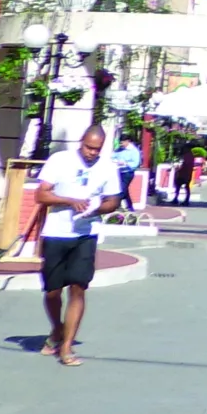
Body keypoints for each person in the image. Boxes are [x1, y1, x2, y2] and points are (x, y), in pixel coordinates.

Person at [34, 122, 122, 366]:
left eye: (97, 149)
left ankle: (66, 347)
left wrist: (96, 210)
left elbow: (113, 201)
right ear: (81, 142)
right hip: (56, 232)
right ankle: (57, 329)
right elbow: (41, 195)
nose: (91, 153)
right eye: (88, 147)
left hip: (85, 234)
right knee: (52, 291)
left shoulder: (108, 167)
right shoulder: (60, 160)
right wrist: (70, 201)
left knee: (78, 287)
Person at [112, 130, 143, 214]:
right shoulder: (119, 149)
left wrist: (125, 163)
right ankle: (130, 207)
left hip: (128, 173)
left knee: (122, 189)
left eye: (122, 143)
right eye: (120, 143)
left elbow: (136, 163)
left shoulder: (134, 151)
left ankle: (116, 205)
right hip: (119, 172)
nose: (121, 144)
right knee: (125, 190)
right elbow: (112, 156)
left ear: (127, 141)